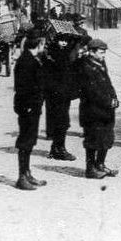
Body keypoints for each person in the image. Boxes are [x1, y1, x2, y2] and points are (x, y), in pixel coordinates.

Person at [75, 38, 119, 179]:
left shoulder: (100, 63)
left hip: (105, 109)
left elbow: (108, 82)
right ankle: (90, 169)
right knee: (92, 139)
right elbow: (92, 91)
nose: (103, 55)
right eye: (101, 52)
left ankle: (100, 164)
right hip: (92, 110)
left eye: (104, 52)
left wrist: (114, 97)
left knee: (106, 137)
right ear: (92, 52)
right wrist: (108, 102)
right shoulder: (85, 66)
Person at [12, 31, 49, 191]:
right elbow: (25, 87)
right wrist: (29, 105)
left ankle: (27, 173)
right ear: (38, 44)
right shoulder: (27, 61)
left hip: (32, 106)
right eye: (44, 44)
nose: (45, 46)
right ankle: (22, 177)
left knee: (30, 139)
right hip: (28, 106)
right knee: (26, 140)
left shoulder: (32, 59)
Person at [42, 27, 85, 161]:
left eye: (66, 41)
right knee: (61, 121)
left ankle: (57, 147)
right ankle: (58, 149)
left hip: (63, 93)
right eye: (61, 41)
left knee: (63, 121)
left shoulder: (62, 53)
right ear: (56, 41)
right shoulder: (53, 54)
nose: (64, 44)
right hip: (56, 93)